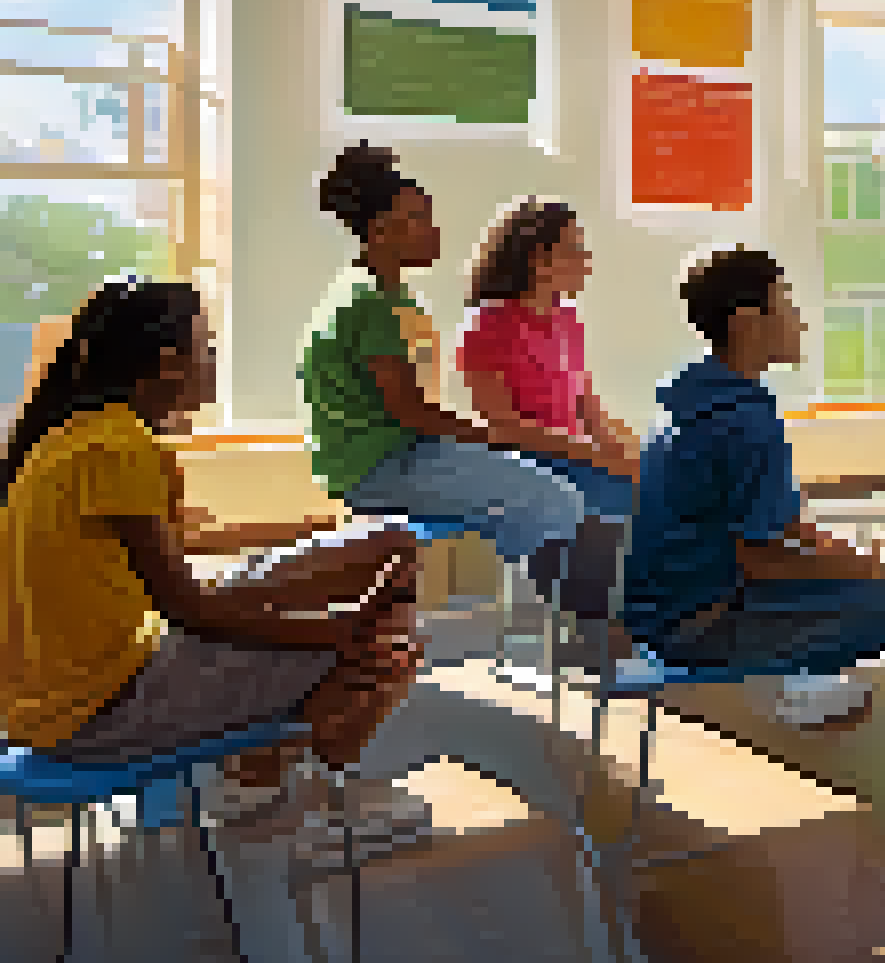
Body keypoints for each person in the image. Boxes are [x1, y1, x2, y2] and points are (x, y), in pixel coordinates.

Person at [0, 278, 434, 867]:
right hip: (98, 714)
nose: (212, 359)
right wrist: (339, 631)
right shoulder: (119, 448)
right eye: (206, 345)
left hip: (52, 703)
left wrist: (294, 568)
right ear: (169, 363)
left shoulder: (75, 438)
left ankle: (257, 781)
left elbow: (173, 572)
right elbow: (189, 610)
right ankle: (300, 802)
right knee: (389, 647)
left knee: (366, 558)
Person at [301, 144, 621, 678]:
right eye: (416, 220)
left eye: (429, 216)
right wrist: (495, 439)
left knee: (541, 497)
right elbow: (413, 413)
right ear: (378, 230)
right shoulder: (367, 305)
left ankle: (554, 631)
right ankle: (563, 637)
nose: (433, 231)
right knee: (553, 498)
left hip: (409, 454)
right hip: (378, 467)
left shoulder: (395, 300)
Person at [624, 247, 885, 725]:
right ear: (749, 320)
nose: (800, 323)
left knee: (863, 575)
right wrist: (869, 570)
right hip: (699, 628)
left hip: (655, 618)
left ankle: (803, 672)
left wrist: (851, 558)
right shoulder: (745, 415)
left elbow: (780, 524)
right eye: (788, 305)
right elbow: (762, 557)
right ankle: (799, 679)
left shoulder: (690, 392)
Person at [458, 197, 643, 669]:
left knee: (657, 491)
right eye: (575, 250)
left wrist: (635, 453)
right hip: (521, 463)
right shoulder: (487, 325)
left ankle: (640, 620)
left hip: (573, 455)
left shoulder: (567, 320)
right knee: (599, 501)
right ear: (539, 260)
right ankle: (591, 629)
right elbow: (501, 426)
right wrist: (598, 457)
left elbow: (589, 410)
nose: (587, 262)